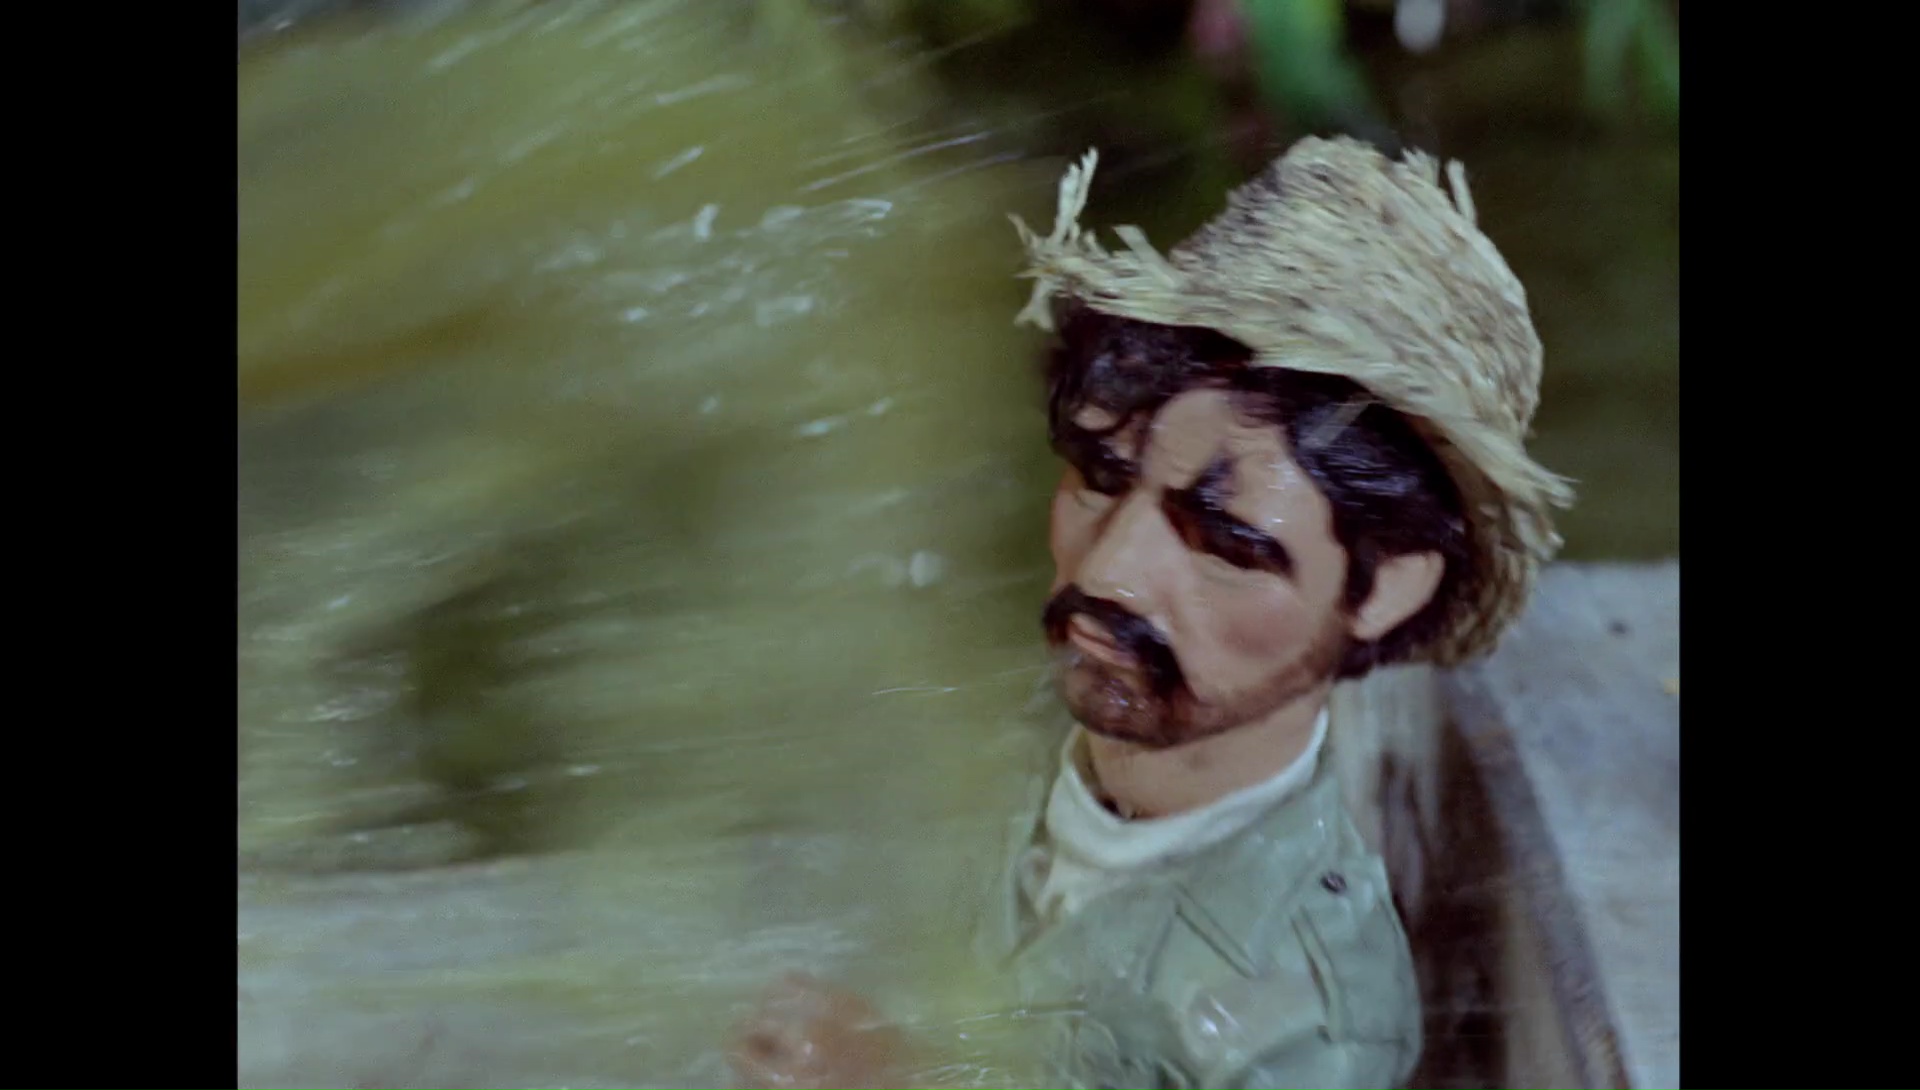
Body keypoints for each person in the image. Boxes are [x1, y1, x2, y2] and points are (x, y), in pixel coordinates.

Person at [728, 134, 1572, 1090]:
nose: (1111, 570)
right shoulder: (974, 735)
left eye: (1223, 544)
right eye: (1099, 478)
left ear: (1385, 590)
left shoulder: (1307, 1025)